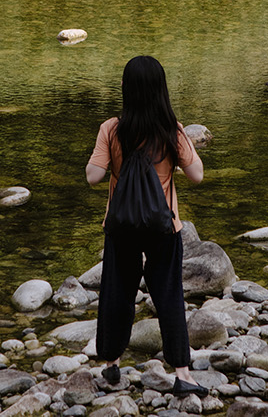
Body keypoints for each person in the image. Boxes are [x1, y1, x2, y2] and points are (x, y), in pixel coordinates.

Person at [85, 55, 206, 396]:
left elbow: (93, 177)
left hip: (121, 226)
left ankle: (110, 364)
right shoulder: (170, 129)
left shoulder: (112, 128)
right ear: (161, 90)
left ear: (125, 88)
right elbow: (196, 174)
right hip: (163, 228)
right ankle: (182, 373)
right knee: (168, 296)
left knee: (116, 293)